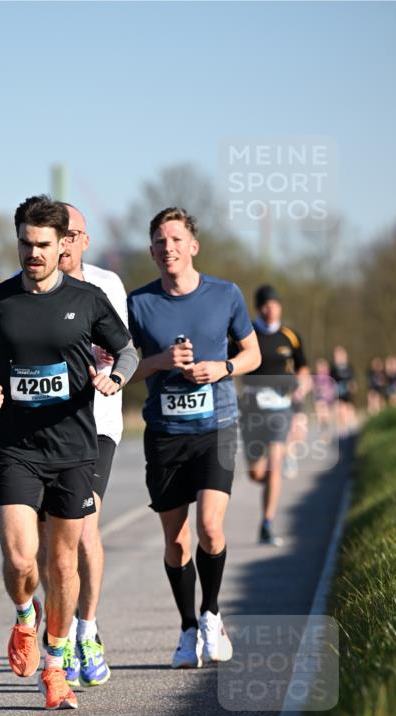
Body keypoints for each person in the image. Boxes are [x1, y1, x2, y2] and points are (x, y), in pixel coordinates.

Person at [0, 195, 138, 710]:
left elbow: (126, 348)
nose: (32, 253)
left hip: (73, 449)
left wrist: (115, 377)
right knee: (20, 559)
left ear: (63, 245)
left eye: (42, 244)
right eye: (25, 243)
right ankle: (24, 617)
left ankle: (55, 668)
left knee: (62, 564)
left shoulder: (88, 299)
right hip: (14, 446)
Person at [128, 208, 261, 669]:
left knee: (210, 528)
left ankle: (212, 614)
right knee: (177, 541)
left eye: (176, 239)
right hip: (165, 434)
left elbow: (252, 353)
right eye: (160, 241)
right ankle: (187, 628)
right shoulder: (138, 304)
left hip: (216, 427)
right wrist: (160, 361)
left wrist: (222, 368)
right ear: (152, 251)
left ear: (193, 246)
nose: (168, 248)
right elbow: (121, 370)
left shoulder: (225, 294)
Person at [35, 203, 128, 689]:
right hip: (42, 429)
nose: (65, 242)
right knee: (47, 543)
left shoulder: (107, 286)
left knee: (85, 531)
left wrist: (110, 364)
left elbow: (121, 348)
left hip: (97, 425)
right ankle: (63, 629)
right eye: (59, 234)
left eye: (72, 234)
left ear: (83, 241)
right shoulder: (29, 288)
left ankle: (87, 631)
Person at [239, 285, 309, 547]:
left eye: (275, 304)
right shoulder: (246, 334)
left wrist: (300, 387)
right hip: (252, 410)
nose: (271, 309)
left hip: (281, 408)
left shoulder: (290, 336)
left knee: (275, 465)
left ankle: (267, 524)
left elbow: (303, 367)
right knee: (257, 473)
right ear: (259, 308)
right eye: (266, 305)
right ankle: (274, 473)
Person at [330, 346, 357, 434]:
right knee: (341, 413)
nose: (339, 358)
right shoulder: (333, 370)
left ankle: (350, 433)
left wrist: (352, 386)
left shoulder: (350, 368)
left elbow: (353, 384)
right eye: (337, 356)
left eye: (340, 355)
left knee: (350, 416)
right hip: (338, 398)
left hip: (348, 397)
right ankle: (343, 433)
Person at [313, 358, 338, 441]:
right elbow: (314, 389)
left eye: (322, 367)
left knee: (327, 418)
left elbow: (334, 388)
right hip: (320, 400)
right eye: (319, 367)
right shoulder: (316, 377)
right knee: (322, 416)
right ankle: (323, 433)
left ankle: (327, 433)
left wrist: (331, 394)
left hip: (329, 399)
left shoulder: (330, 376)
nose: (321, 369)